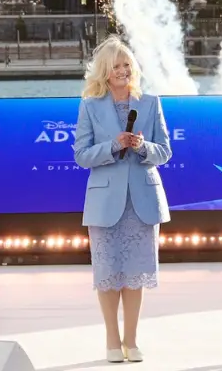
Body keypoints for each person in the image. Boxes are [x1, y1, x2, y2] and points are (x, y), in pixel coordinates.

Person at [73, 36, 173, 364]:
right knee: (108, 273)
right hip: (105, 204)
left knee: (135, 274)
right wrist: (113, 146)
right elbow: (82, 156)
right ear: (104, 70)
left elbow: (165, 151)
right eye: (115, 66)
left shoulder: (150, 102)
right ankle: (112, 341)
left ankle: (131, 340)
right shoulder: (90, 105)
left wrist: (143, 146)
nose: (122, 71)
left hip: (141, 201)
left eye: (126, 64)